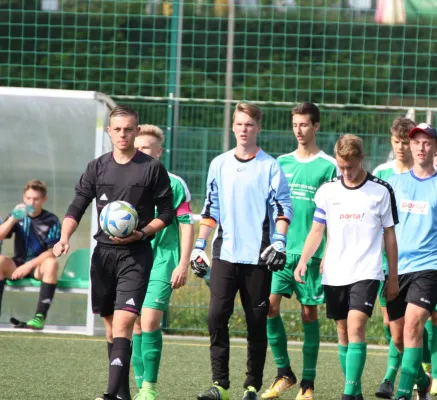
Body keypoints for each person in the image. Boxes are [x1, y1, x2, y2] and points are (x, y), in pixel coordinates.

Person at [53, 105, 174, 400]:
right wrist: (64, 237)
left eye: (128, 129)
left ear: (136, 130)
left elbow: (167, 213)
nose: (123, 134)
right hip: (103, 256)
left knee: (123, 322)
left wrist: (142, 232)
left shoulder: (151, 168)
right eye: (117, 129)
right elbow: (77, 205)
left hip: (136, 255)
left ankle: (109, 395)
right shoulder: (97, 167)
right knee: (110, 327)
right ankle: (122, 395)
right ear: (109, 131)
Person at [193, 102, 293, 400]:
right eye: (239, 123)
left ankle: (251, 385)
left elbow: (283, 208)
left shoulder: (270, 166)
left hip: (259, 257)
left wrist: (280, 242)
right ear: (233, 126)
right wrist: (199, 246)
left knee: (255, 321)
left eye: (249, 124)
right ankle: (220, 385)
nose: (243, 129)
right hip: (225, 253)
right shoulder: (219, 164)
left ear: (258, 128)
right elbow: (211, 209)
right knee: (215, 316)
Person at [294, 133, 399, 400]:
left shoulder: (381, 191)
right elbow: (317, 229)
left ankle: (348, 392)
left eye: (350, 166)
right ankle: (357, 390)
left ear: (362, 159)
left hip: (367, 271)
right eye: (341, 166)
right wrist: (304, 260)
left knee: (355, 327)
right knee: (342, 331)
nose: (346, 172)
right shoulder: (327, 191)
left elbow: (390, 236)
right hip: (334, 272)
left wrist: (393, 276)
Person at [261, 103, 337, 400]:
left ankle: (307, 382)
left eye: (304, 124)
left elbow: (332, 212)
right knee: (268, 306)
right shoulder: (281, 162)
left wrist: (328, 252)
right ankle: (284, 372)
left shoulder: (328, 165)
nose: (299, 129)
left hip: (312, 254)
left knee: (308, 313)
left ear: (316, 126)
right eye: (295, 124)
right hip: (281, 251)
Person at [385, 123, 437, 400]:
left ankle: (404, 393)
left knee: (413, 325)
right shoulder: (394, 184)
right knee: (397, 338)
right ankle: (423, 380)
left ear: (436, 148)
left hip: (430, 267)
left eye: (426, 143)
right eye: (416, 142)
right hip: (396, 269)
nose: (421, 147)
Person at [129, 124, 196, 400]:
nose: (141, 152)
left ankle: (150, 389)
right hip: (132, 259)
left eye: (146, 148)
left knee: (149, 321)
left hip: (163, 260)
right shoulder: (127, 180)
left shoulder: (175, 183)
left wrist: (183, 263)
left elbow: (186, 225)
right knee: (132, 324)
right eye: (138, 147)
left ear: (158, 152)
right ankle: (138, 384)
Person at [372, 116, 415, 399]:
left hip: (415, 262)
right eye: (397, 142)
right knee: (390, 325)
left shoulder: (422, 174)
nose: (401, 147)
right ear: (391, 141)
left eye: (406, 142)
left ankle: (391, 378)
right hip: (383, 260)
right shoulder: (382, 173)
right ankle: (417, 373)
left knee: (408, 324)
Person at [0, 179, 61, 330]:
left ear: (44, 199)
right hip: (17, 264)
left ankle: (39, 318)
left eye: (36, 199)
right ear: (23, 197)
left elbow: (52, 251)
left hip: (37, 268)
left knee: (52, 263)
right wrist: (13, 218)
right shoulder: (17, 215)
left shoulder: (51, 220)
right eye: (28, 198)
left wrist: (29, 265)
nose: (31, 202)